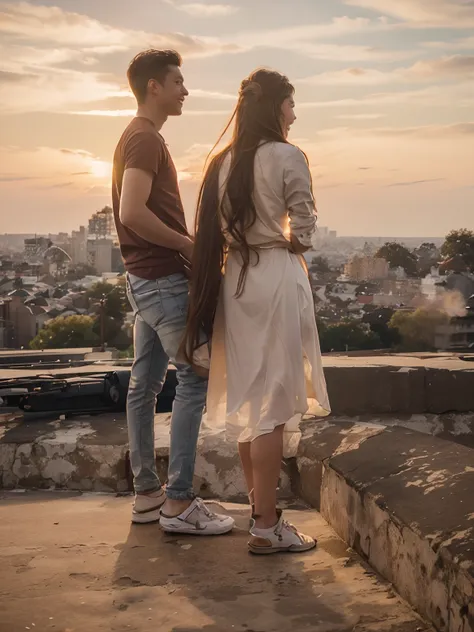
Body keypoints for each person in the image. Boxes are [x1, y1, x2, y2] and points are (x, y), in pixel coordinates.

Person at [182, 68, 330, 554]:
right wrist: (286, 240)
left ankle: (259, 512)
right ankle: (266, 525)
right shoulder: (288, 156)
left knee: (251, 401)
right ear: (275, 107)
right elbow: (305, 227)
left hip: (236, 282)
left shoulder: (223, 163)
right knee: (273, 403)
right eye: (290, 103)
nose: (294, 113)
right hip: (274, 275)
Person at [112, 49, 234, 535]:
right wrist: (189, 246)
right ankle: (179, 503)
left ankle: (146, 495)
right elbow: (131, 212)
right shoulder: (144, 138)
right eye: (178, 81)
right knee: (194, 379)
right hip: (161, 280)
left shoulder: (138, 136)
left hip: (144, 281)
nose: (186, 90)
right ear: (154, 87)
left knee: (144, 386)